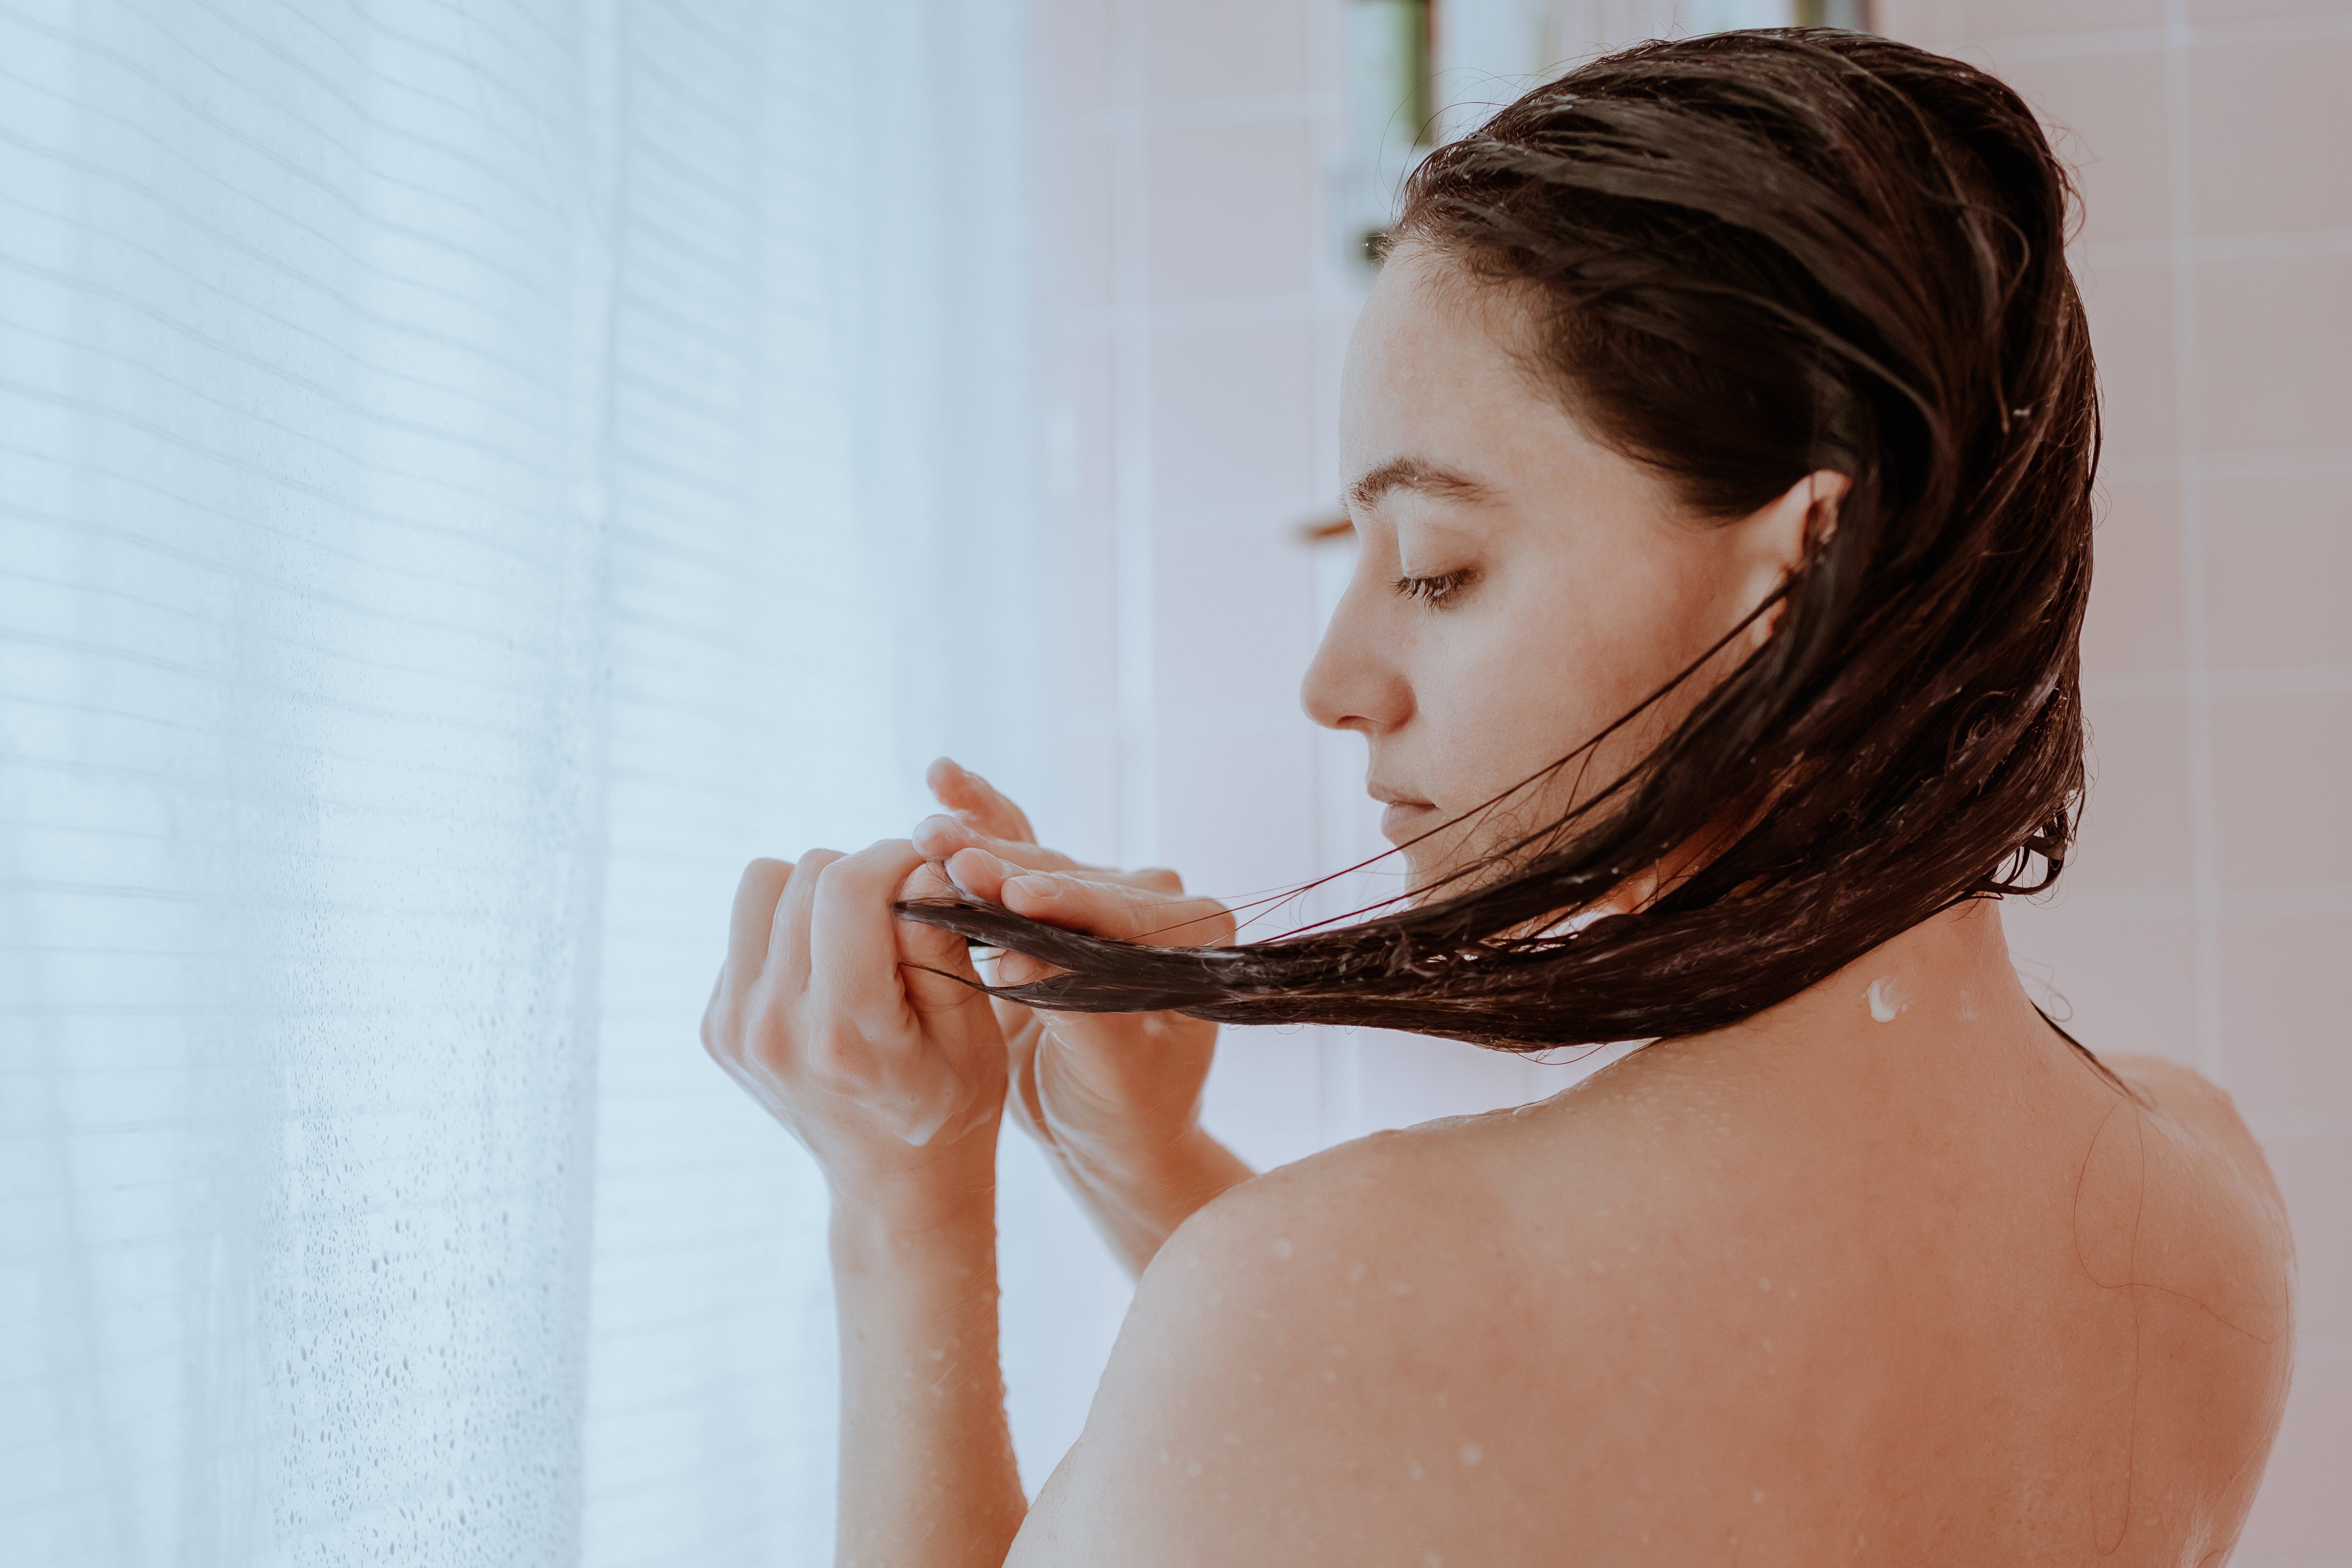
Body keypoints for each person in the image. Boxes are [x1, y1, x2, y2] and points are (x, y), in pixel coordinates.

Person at [699, 29, 2294, 1566]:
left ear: (1804, 568)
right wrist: (1144, 1167)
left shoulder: (1336, 1294)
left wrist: (901, 1206)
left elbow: (1424, 1403)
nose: (1331, 682)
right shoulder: (2203, 1203)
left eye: (1437, 570)